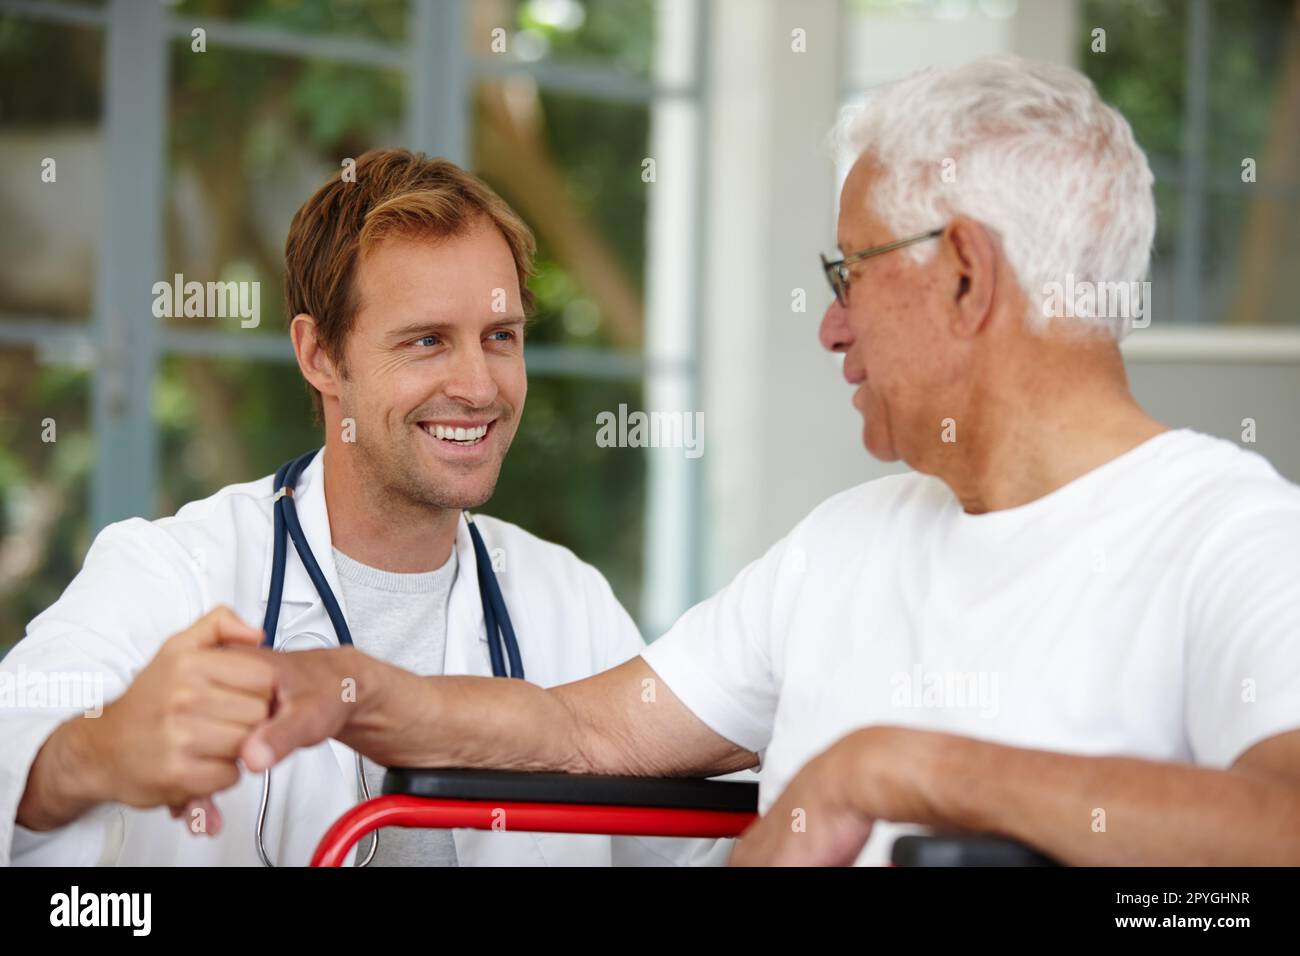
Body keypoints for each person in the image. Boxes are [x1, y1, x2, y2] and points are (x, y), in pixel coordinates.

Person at [227, 57, 1300, 866]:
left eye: (851, 271)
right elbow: (577, 727)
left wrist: (898, 769)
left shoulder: (1230, 537)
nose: (830, 326)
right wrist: (340, 684)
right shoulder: (849, 543)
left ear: (966, 277)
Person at [2, 148, 719, 867]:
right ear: (318, 355)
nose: (477, 386)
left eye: (500, 337)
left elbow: (693, 848)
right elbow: (17, 747)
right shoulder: (172, 575)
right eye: (427, 341)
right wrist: (97, 752)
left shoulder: (569, 600)